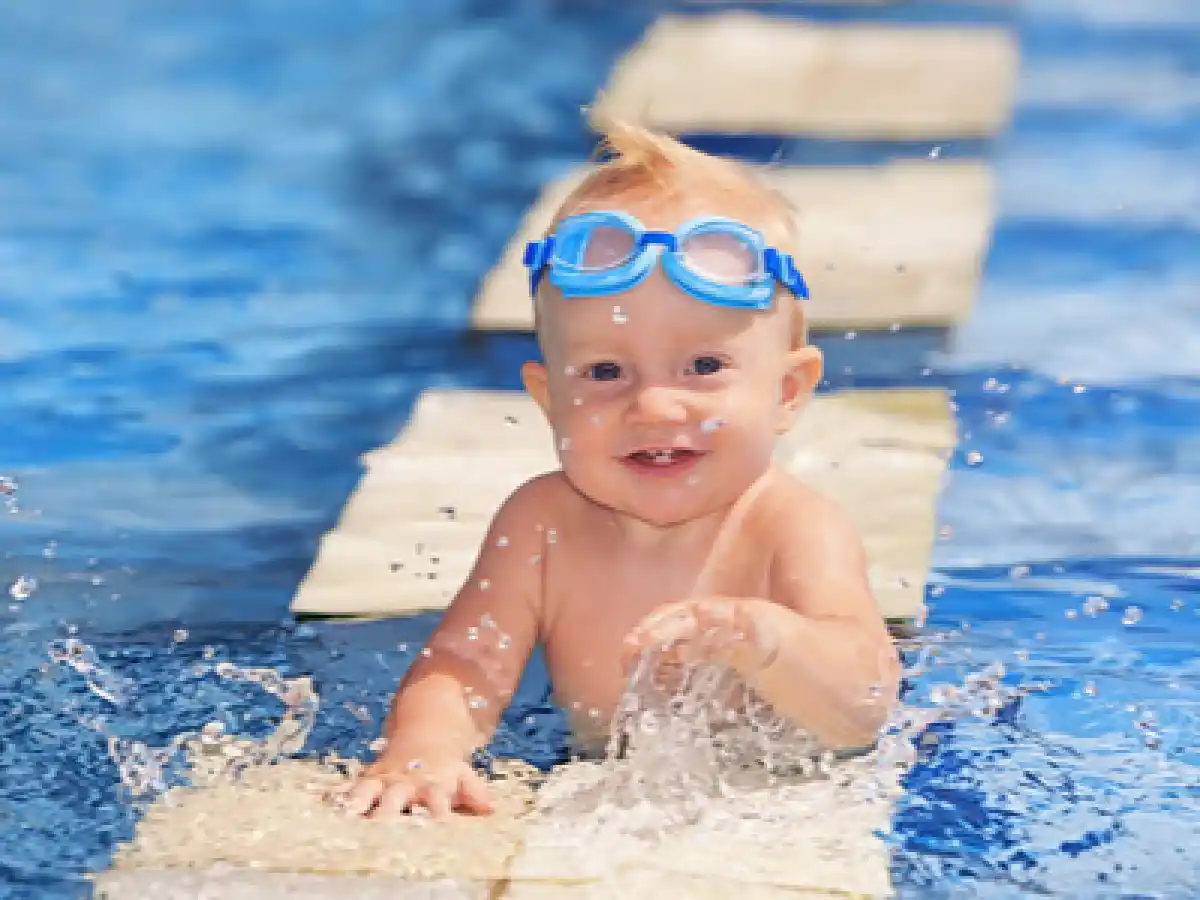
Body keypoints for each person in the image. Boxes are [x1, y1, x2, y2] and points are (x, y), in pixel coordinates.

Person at [344, 119, 900, 819]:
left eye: (704, 366)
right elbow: (465, 666)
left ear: (787, 392)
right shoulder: (543, 523)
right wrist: (424, 752)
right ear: (549, 400)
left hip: (792, 794)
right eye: (605, 371)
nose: (656, 406)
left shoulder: (793, 526)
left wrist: (766, 639)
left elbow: (865, 704)